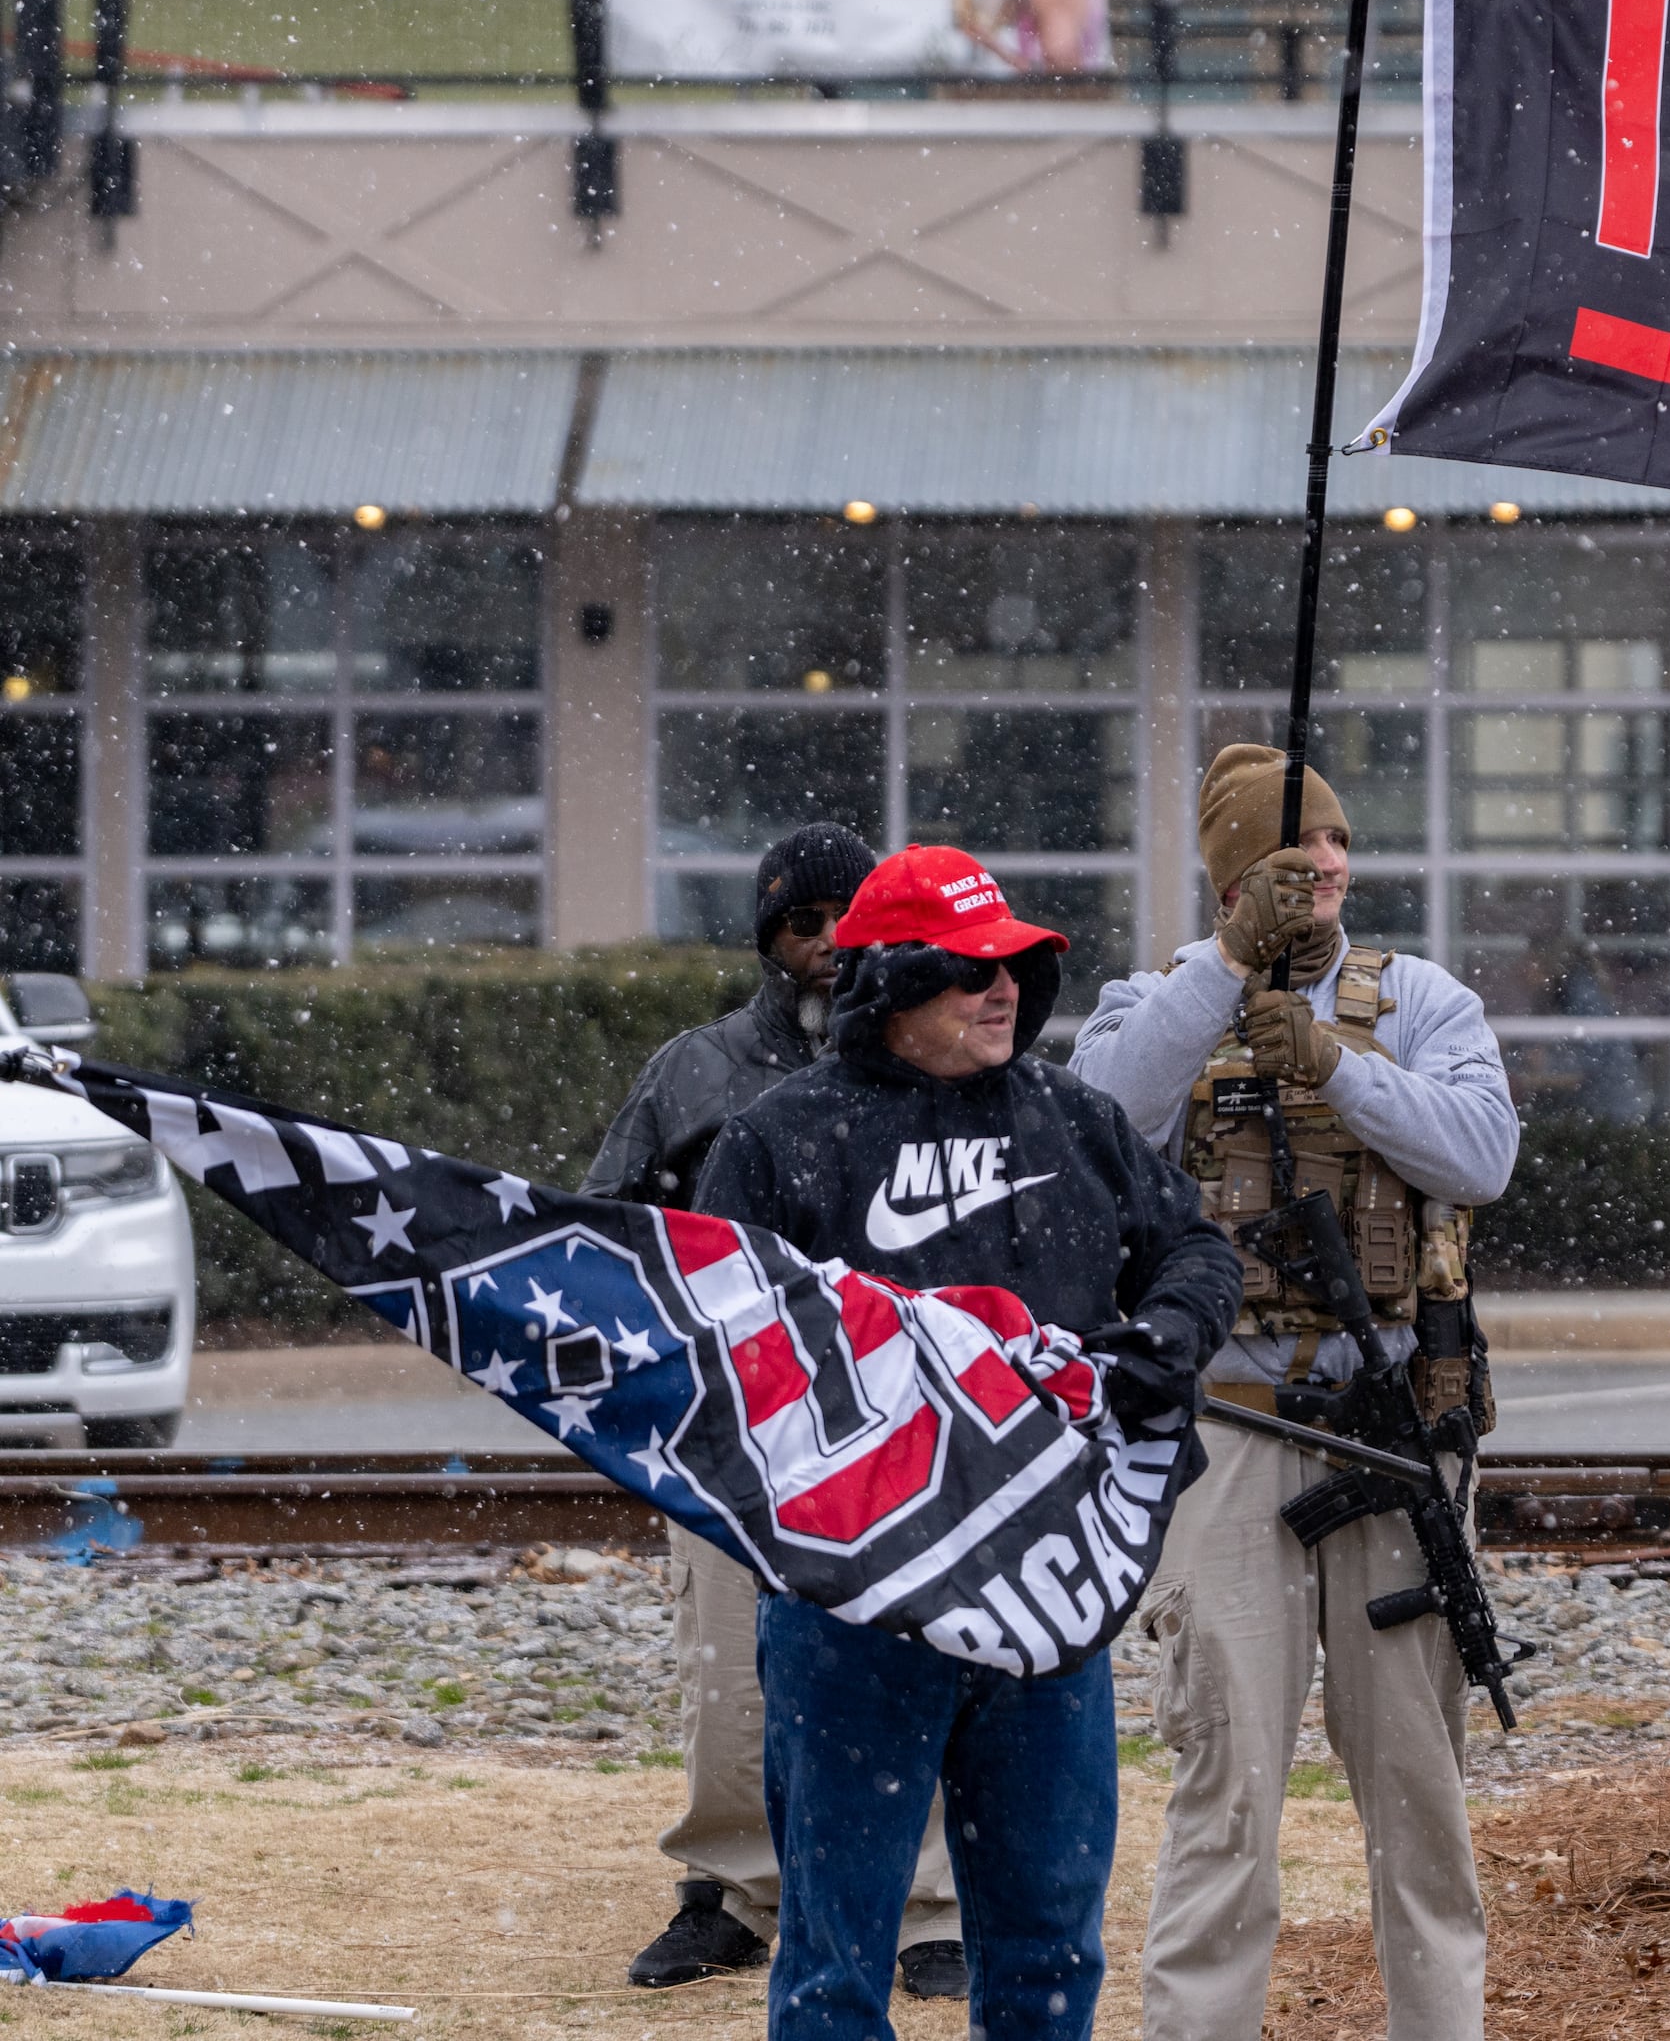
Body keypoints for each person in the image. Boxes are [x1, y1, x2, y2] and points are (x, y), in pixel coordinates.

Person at [695, 844, 1243, 2041]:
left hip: (1047, 1597)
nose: (1005, 991)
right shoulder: (781, 1136)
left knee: (1050, 1942)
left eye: (1021, 967)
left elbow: (1198, 1248)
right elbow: (711, 1341)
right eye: (971, 973)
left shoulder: (1076, 1119)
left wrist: (1168, 1336)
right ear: (891, 986)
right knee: (837, 1957)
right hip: (853, 1603)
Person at [1070, 744, 1520, 2041]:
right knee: (1226, 1787)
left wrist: (1329, 1061)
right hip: (1226, 1430)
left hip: (1396, 1432)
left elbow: (1480, 1153)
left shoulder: (1425, 1001)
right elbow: (1099, 1129)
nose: (1320, 866)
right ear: (1230, 878)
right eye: (1288, 851)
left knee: (1417, 1790)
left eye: (1329, 843)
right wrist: (1220, 976)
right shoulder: (1152, 1003)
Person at [583, 824, 970, 2000]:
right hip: (730, 1426)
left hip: (905, 1420)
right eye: (804, 927)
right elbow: (607, 1227)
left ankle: (930, 1908)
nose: (826, 950)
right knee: (730, 1673)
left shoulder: (946, 1059)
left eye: (848, 928)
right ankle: (733, 1891)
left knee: (923, 1644)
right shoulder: (691, 1071)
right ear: (769, 937)